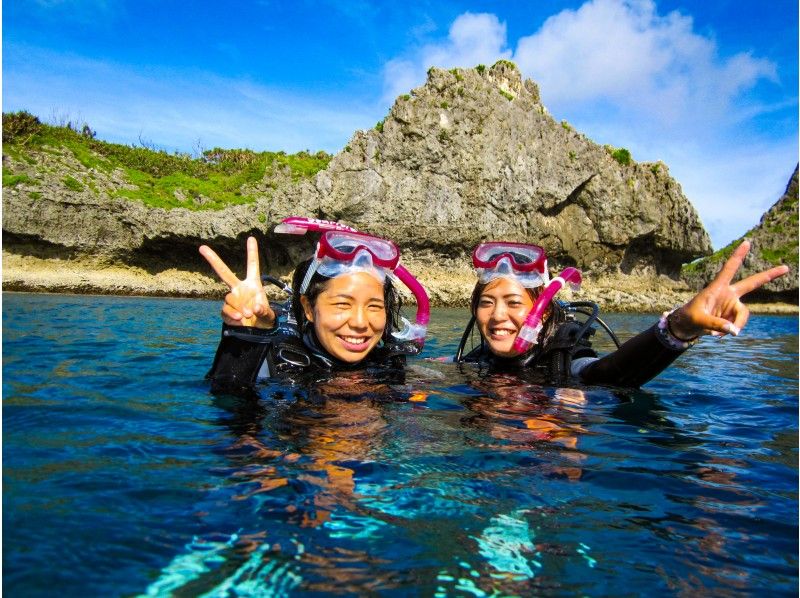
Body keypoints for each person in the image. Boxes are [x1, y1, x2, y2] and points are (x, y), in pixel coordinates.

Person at [454, 239, 790, 387]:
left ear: (540, 314)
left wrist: (678, 328)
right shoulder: (479, 359)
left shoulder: (566, 358)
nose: (497, 315)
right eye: (486, 302)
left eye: (514, 303)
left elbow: (609, 371)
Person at [200, 221, 429, 393]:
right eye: (342, 304)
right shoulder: (279, 365)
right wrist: (247, 337)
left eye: (374, 306)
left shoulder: (391, 367)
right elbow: (231, 407)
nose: (360, 323)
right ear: (308, 308)